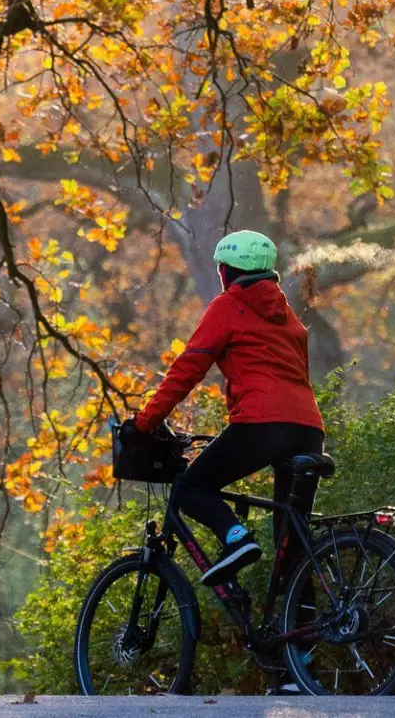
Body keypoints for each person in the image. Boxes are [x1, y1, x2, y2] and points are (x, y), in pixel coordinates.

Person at [120, 230, 326, 587]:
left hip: (262, 424)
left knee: (189, 488)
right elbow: (298, 377)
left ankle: (236, 538)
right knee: (291, 542)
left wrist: (142, 424)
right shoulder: (288, 317)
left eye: (221, 269)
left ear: (228, 271)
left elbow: (187, 370)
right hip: (308, 429)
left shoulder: (229, 306)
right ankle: (300, 640)